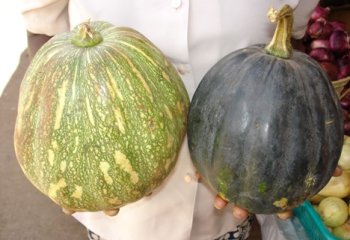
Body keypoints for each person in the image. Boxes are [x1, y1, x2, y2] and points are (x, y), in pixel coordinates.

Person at [18, 0, 324, 239]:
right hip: (114, 197)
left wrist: (306, 134)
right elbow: (42, 30)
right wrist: (55, 143)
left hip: (226, 193)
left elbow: (290, 45)